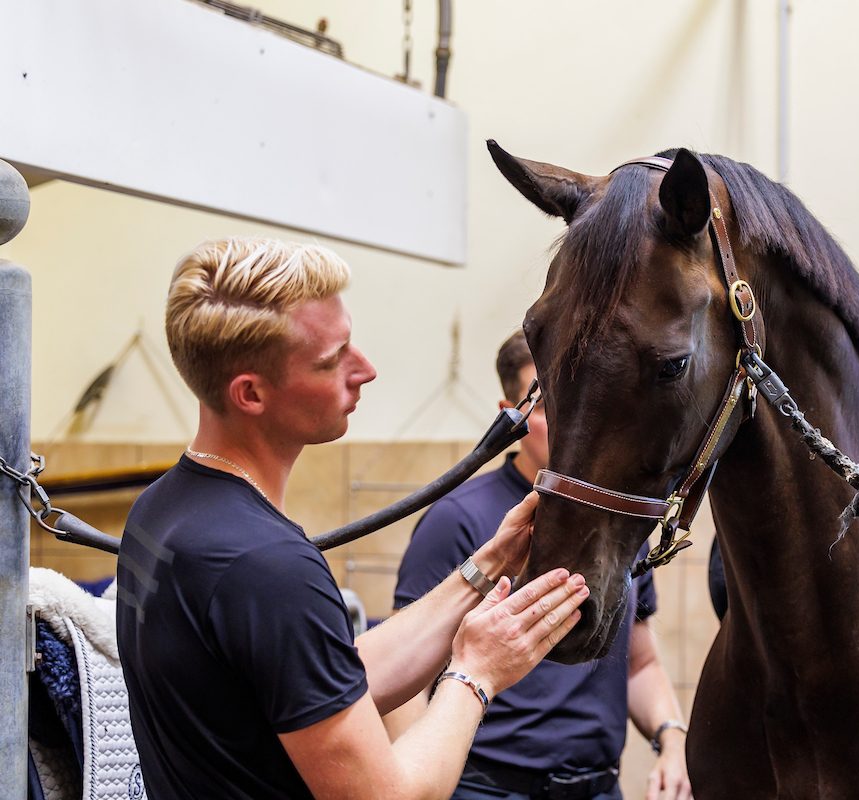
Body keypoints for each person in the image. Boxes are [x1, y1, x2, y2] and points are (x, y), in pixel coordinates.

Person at [115, 237, 589, 800]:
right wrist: (476, 673)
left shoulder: (164, 507)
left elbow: (323, 685)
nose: (365, 369)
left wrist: (485, 569)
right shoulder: (266, 566)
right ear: (251, 394)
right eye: (331, 359)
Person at [387, 331, 693, 800]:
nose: (574, 424)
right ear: (512, 414)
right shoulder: (457, 519)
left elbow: (640, 661)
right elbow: (405, 680)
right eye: (551, 408)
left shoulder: (617, 520)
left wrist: (672, 739)